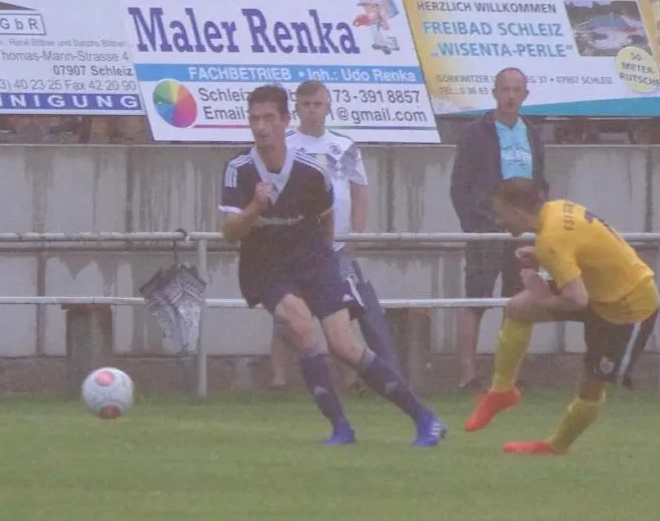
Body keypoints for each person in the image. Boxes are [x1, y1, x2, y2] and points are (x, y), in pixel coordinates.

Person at [221, 85, 444, 447]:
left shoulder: (311, 172)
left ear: (284, 121)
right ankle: (341, 428)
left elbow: (326, 222)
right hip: (267, 268)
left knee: (345, 346)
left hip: (314, 260)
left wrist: (323, 261)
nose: (260, 127)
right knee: (299, 324)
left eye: (268, 118)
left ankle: (425, 419)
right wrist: (255, 209)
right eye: (254, 119)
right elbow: (230, 232)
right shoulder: (239, 169)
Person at [464, 179, 659, 455]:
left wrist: (542, 294)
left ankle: (556, 446)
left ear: (517, 212)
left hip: (628, 307)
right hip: (595, 289)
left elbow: (576, 299)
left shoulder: (551, 239)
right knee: (518, 308)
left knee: (591, 386)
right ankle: (502, 392)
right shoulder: (556, 210)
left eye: (501, 214)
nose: (499, 221)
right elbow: (583, 246)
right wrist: (542, 257)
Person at [269, 81, 399, 392]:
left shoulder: (345, 146)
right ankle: (278, 380)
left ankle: (350, 380)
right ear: (296, 108)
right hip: (295, 245)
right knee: (286, 313)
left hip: (337, 246)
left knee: (341, 313)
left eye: (317, 104)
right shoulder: (285, 145)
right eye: (306, 104)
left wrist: (356, 231)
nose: (312, 110)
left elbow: (359, 191)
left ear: (328, 107)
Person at [448, 67, 546, 390]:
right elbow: (459, 185)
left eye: (517, 90)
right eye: (505, 89)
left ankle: (507, 375)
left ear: (526, 95)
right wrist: (473, 224)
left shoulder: (532, 133)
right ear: (494, 93)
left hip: (524, 230)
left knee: (519, 300)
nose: (510, 96)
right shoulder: (476, 133)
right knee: (475, 299)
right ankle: (467, 376)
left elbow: (540, 182)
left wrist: (538, 221)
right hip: (486, 227)